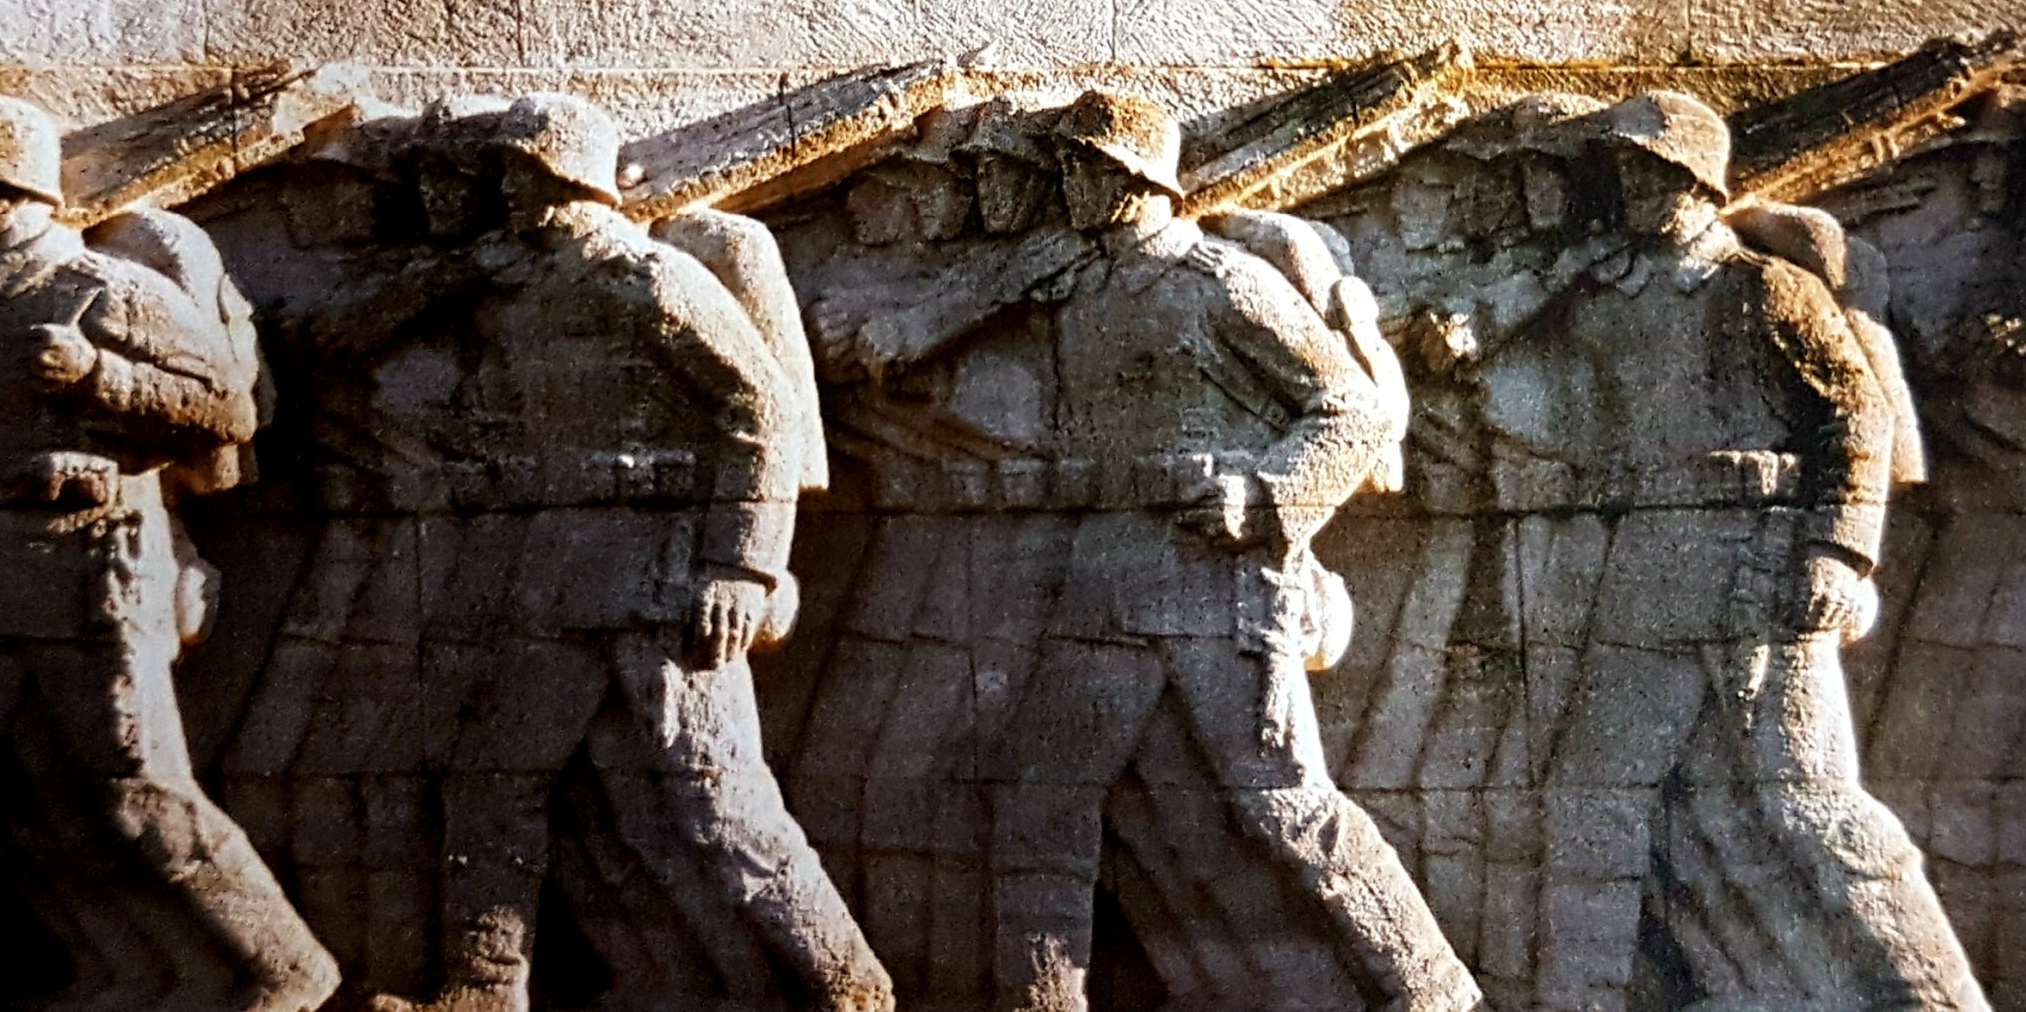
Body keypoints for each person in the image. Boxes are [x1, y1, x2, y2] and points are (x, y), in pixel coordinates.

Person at [805, 89, 1476, 1012]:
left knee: (1285, 804)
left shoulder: (1219, 282)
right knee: (1037, 798)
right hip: (1107, 575)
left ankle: (1434, 992)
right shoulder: (1072, 278)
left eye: (1087, 169)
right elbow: (957, 315)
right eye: (1068, 169)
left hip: (1218, 581)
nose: (1070, 186)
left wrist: (1265, 498)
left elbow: (1350, 408)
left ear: (1135, 182)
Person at [370, 93, 890, 1012]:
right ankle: (483, 987)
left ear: (566, 181)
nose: (508, 193)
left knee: (720, 805)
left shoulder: (645, 278)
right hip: (555, 577)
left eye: (522, 176)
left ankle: (850, 987)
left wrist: (741, 566)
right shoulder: (527, 293)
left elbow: (762, 414)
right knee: (490, 783)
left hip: (662, 583)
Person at [0, 94, 336, 1012]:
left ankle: (286, 970)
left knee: (137, 792)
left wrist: (102, 376)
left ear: (14, 190)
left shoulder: (105, 288)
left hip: (88, 577)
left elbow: (227, 411)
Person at [1473, 91, 1985, 1012]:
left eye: (1651, 172)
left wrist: (1838, 551)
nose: (1632, 188)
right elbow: (1526, 398)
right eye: (1624, 172)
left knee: (1811, 802)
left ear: (1697, 182)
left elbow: (1856, 418)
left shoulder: (1764, 288)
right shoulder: (1604, 295)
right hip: (1644, 563)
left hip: (1760, 564)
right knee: (1590, 800)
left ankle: (1933, 996)